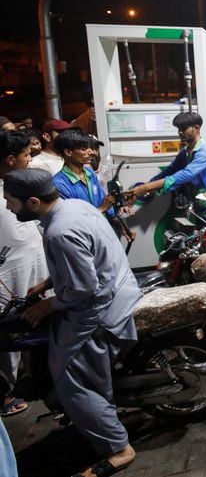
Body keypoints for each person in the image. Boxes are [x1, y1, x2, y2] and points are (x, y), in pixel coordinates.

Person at [5, 168, 140, 477]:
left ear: (34, 201)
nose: (8, 207)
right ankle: (97, 417)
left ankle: (118, 448)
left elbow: (82, 288)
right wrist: (47, 284)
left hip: (98, 310)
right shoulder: (76, 207)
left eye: (10, 201)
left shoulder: (58, 232)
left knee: (68, 379)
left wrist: (45, 305)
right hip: (120, 288)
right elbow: (83, 260)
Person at [0, 132, 47, 418]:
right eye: (26, 156)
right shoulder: (9, 190)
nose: (29, 161)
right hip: (7, 271)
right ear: (10, 160)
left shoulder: (23, 184)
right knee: (7, 329)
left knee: (35, 319)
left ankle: (36, 378)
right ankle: (7, 389)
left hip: (36, 265)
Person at [123, 112, 206, 224]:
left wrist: (146, 187)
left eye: (183, 128)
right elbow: (169, 171)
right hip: (200, 212)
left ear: (197, 128)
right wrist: (142, 189)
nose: (180, 132)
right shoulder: (186, 152)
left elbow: (186, 174)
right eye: (178, 129)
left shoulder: (205, 152)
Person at [51, 129, 134, 244]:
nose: (92, 153)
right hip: (81, 239)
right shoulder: (59, 184)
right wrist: (101, 209)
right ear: (68, 152)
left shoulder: (89, 173)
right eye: (84, 149)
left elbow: (103, 200)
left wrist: (121, 225)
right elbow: (71, 220)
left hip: (100, 232)